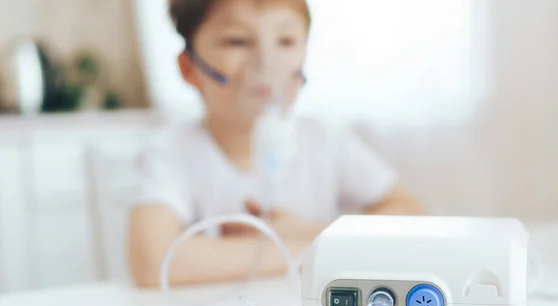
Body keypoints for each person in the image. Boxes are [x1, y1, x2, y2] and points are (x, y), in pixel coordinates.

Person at [128, 0, 425, 288]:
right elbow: (153, 260)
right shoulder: (171, 151)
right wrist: (321, 245)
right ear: (189, 67)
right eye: (237, 41)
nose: (266, 62)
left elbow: (413, 217)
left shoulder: (324, 139)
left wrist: (302, 232)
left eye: (285, 41)